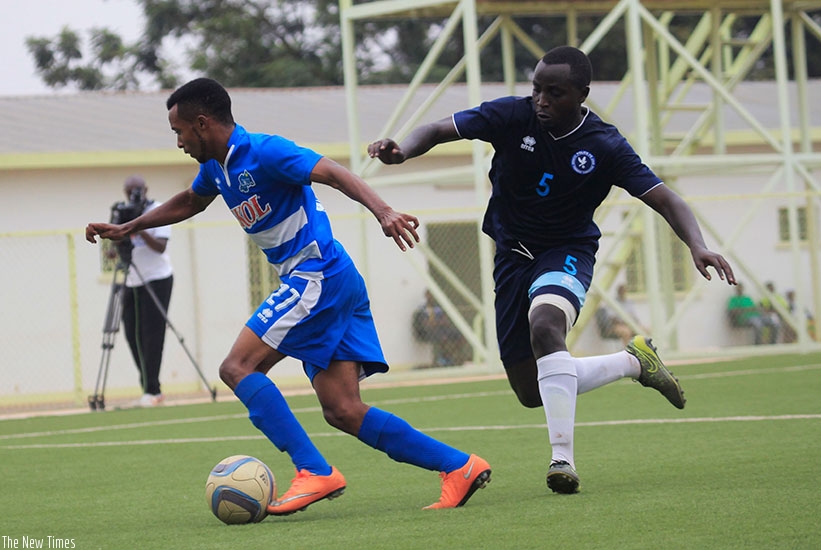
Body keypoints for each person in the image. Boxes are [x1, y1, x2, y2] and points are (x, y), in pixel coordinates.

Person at [86, 77, 490, 514]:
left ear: (201, 124)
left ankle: (313, 470)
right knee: (343, 410)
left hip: (316, 275)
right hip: (332, 279)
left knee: (237, 367)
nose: (179, 141)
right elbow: (190, 201)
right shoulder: (216, 167)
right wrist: (130, 227)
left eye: (179, 131)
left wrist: (384, 211)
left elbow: (332, 172)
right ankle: (459, 466)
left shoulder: (264, 151)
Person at [368, 45, 736, 494]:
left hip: (566, 251)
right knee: (530, 391)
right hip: (511, 256)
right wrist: (402, 150)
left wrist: (697, 246)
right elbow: (439, 128)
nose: (541, 99)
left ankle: (563, 460)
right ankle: (632, 362)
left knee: (546, 325)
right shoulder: (512, 116)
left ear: (582, 94)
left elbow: (664, 197)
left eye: (555, 92)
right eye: (537, 89)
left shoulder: (605, 144)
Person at [116, 175, 174, 407]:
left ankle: (153, 390)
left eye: (137, 190)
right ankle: (147, 385)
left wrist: (139, 226)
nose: (133, 194)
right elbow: (118, 248)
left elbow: (160, 247)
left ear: (146, 189)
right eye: (129, 190)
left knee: (152, 335)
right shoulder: (123, 211)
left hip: (157, 278)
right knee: (132, 333)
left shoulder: (157, 211)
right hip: (132, 279)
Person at [412, 290, 465, 367]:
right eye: (429, 295)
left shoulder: (438, 308)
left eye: (432, 295)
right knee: (443, 338)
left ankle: (448, 356)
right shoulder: (423, 309)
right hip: (430, 331)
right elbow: (426, 323)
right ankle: (443, 358)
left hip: (443, 329)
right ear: (426, 296)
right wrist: (438, 322)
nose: (431, 297)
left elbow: (445, 321)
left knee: (461, 337)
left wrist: (435, 322)